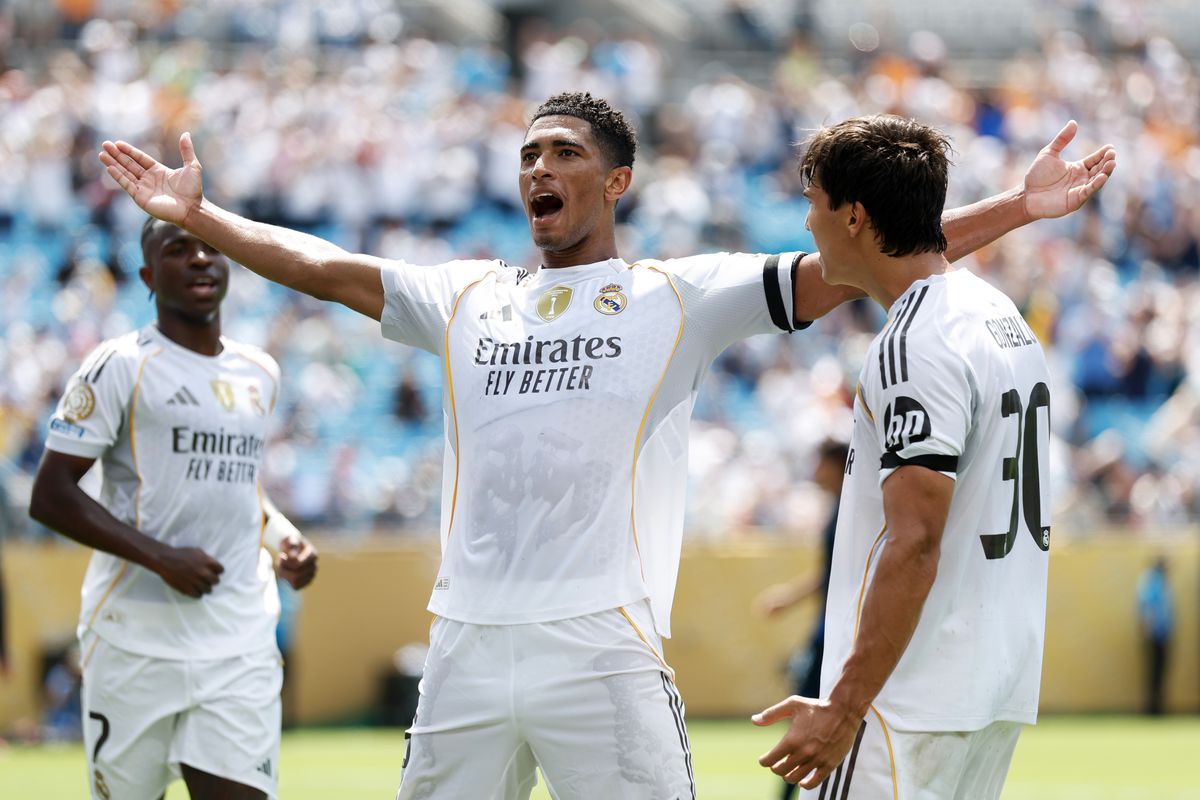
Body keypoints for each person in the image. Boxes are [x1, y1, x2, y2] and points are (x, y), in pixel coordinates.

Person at [98, 92, 1114, 799]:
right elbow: (323, 266)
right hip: (464, 644)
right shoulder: (464, 296)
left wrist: (1019, 208)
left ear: (616, 180)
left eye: (565, 153)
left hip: (603, 646)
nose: (540, 167)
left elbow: (866, 259)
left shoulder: (679, 294)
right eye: (529, 154)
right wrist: (207, 218)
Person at [751, 115, 1098, 799]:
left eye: (813, 205)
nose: (806, 226)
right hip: (987, 682)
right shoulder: (998, 315)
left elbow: (913, 541)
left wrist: (844, 705)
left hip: (907, 695)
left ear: (853, 217)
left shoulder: (915, 341)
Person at [28, 217, 319, 800]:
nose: (199, 260)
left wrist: (282, 536)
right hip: (134, 641)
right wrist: (161, 558)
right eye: (178, 249)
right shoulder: (119, 366)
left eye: (211, 248)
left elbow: (238, 487)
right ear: (147, 275)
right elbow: (51, 496)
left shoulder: (260, 373)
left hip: (237, 639)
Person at [753, 437, 848, 800]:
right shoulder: (841, 508)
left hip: (834, 630)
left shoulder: (848, 512)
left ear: (837, 465)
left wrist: (788, 598)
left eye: (820, 462)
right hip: (830, 625)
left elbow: (837, 573)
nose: (814, 471)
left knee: (811, 712)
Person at [1137, 556, 1173, 715]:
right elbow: (1147, 607)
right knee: (1154, 671)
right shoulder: (1153, 580)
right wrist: (1148, 631)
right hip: (1155, 635)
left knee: (1159, 671)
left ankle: (1157, 705)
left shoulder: (1159, 581)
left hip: (1161, 634)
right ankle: (1153, 707)